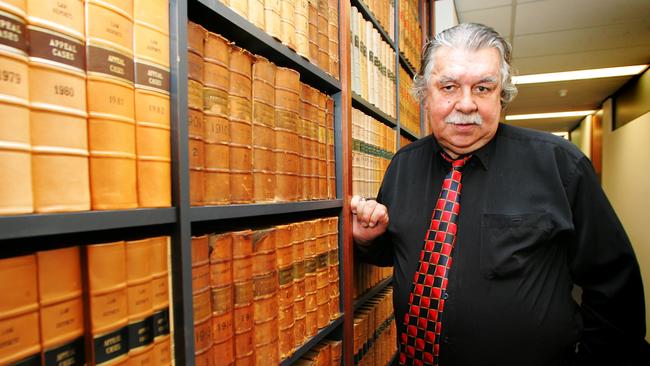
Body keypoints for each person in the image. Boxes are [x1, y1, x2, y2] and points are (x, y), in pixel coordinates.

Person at [351, 23, 648, 365]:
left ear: (501, 95)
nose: (466, 104)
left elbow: (614, 289)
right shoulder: (402, 166)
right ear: (424, 94)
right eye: (449, 87)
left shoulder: (560, 165)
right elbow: (401, 255)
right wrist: (368, 240)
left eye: (482, 88)